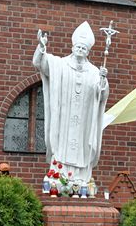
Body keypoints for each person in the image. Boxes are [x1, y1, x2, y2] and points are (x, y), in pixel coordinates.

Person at [33, 22, 109, 186]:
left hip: (83, 122)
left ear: (88, 51)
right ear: (73, 47)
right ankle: (59, 175)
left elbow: (101, 95)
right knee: (62, 146)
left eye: (84, 48)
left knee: (81, 148)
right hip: (64, 120)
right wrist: (41, 47)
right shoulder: (60, 65)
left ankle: (81, 178)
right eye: (78, 47)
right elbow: (41, 64)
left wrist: (102, 81)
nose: (80, 50)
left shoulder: (95, 72)